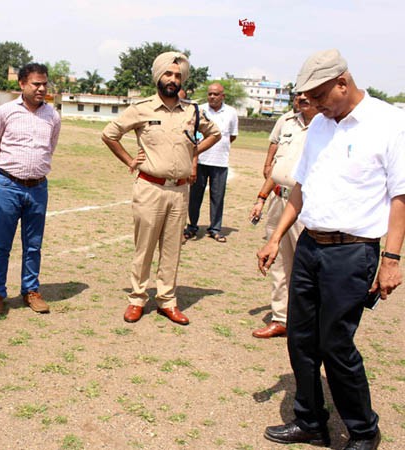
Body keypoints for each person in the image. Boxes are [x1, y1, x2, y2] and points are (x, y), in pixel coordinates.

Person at [257, 49, 405, 450]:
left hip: (353, 252)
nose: (316, 106)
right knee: (301, 339)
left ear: (343, 82)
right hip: (310, 245)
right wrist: (275, 237)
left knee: (336, 344)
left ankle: (362, 431)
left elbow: (400, 196)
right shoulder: (319, 126)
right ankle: (310, 421)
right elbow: (300, 187)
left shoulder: (389, 122)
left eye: (321, 97)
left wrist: (391, 259)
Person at [102, 52, 221, 325]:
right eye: (168, 74)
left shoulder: (192, 110)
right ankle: (137, 298)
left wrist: (194, 150)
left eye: (178, 76)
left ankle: (167, 300)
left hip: (180, 192)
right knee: (143, 248)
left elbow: (215, 133)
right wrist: (130, 160)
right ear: (158, 77)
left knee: (172, 249)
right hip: (149, 188)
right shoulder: (142, 108)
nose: (173, 79)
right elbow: (109, 134)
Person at [0, 63, 61, 316]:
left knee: (33, 244)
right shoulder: (5, 112)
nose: (41, 89)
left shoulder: (52, 115)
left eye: (44, 84)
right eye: (36, 84)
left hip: (38, 188)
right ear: (22, 84)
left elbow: (50, 147)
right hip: (9, 186)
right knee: (1, 244)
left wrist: (33, 170)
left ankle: (30, 290)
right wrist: (9, 172)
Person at [249, 93, 317, 338]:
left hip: (306, 204)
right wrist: (261, 197)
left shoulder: (326, 124)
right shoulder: (287, 121)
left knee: (306, 265)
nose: (301, 97)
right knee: (278, 261)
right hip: (279, 198)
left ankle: (307, 323)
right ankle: (281, 318)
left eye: (308, 93)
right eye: (298, 92)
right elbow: (277, 166)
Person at [183, 82, 238, 243]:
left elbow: (232, 136)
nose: (212, 97)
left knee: (217, 196)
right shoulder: (199, 110)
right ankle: (192, 226)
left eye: (216, 94)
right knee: (195, 196)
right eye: (210, 94)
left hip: (220, 161)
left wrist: (219, 148)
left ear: (223, 96)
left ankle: (215, 228)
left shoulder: (231, 112)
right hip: (199, 160)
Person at [261, 96, 299, 179]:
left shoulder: (314, 120)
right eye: (297, 95)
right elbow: (274, 142)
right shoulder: (284, 119)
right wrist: (267, 165)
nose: (300, 99)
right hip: (280, 169)